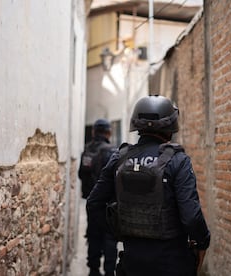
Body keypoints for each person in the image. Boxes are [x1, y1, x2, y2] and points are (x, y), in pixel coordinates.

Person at [87, 95, 211, 276]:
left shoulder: (119, 158)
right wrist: (203, 242)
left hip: (131, 262)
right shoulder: (178, 161)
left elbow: (94, 203)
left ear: (137, 125)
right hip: (172, 263)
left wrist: (118, 231)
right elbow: (191, 217)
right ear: (170, 127)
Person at [78, 119, 118, 276]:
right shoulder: (111, 151)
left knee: (93, 235)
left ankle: (93, 270)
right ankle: (109, 271)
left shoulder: (87, 150)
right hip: (109, 205)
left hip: (92, 203)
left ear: (94, 132)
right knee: (109, 238)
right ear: (108, 132)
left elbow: (81, 174)